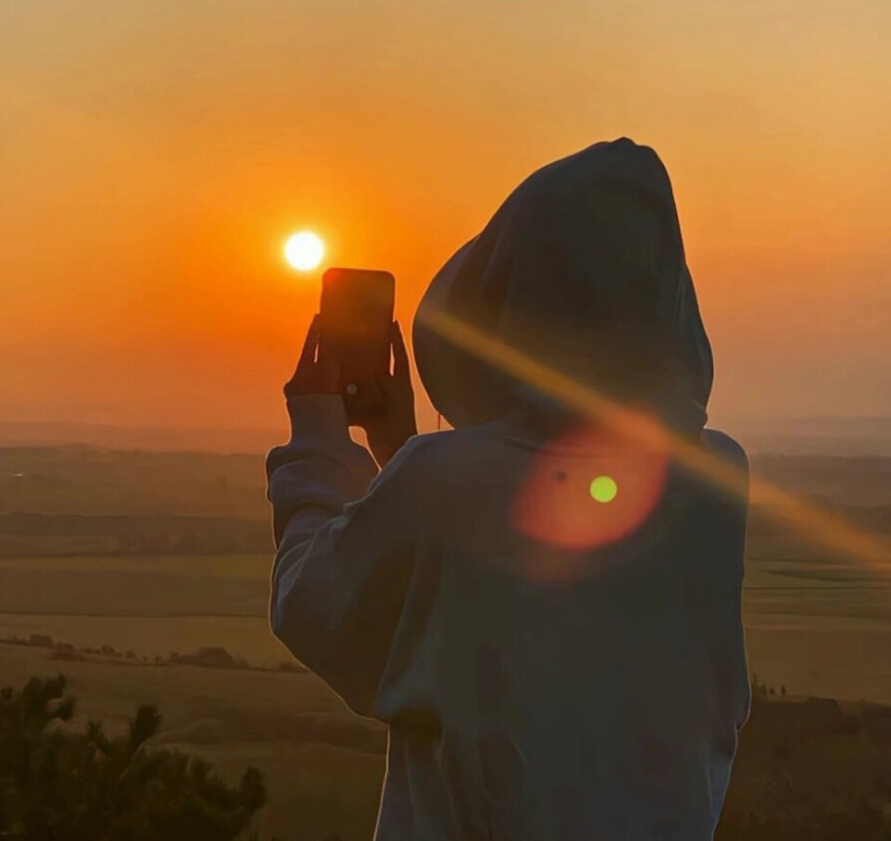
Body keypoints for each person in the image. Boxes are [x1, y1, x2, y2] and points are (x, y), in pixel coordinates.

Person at [266, 138, 751, 841]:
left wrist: (316, 438)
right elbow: (530, 556)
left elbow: (312, 603)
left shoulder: (444, 483)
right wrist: (406, 449)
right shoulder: (716, 481)